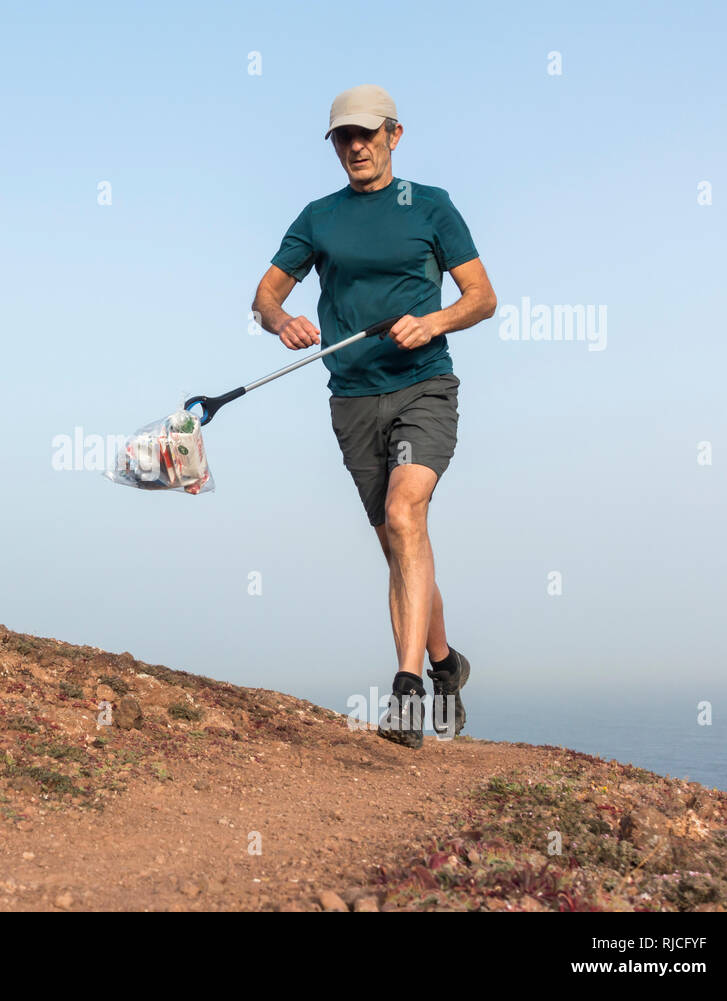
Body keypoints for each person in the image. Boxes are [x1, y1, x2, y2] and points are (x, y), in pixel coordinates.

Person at [252, 85, 496, 749]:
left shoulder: (433, 206)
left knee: (403, 513)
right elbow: (266, 294)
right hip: (353, 399)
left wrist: (435, 320)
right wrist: (283, 321)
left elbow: (482, 297)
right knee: (399, 543)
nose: (356, 147)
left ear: (395, 134)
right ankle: (447, 664)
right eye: (343, 137)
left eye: (367, 134)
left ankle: (407, 694)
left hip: (424, 387)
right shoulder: (318, 217)